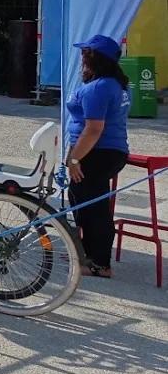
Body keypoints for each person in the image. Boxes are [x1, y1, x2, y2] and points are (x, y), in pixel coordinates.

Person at [65, 34, 132, 278]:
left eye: (87, 54)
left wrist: (75, 159)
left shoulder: (101, 87)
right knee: (85, 200)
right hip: (100, 151)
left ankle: (99, 262)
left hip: (98, 152)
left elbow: (94, 129)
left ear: (98, 59)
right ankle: (87, 253)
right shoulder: (113, 84)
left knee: (92, 206)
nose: (82, 57)